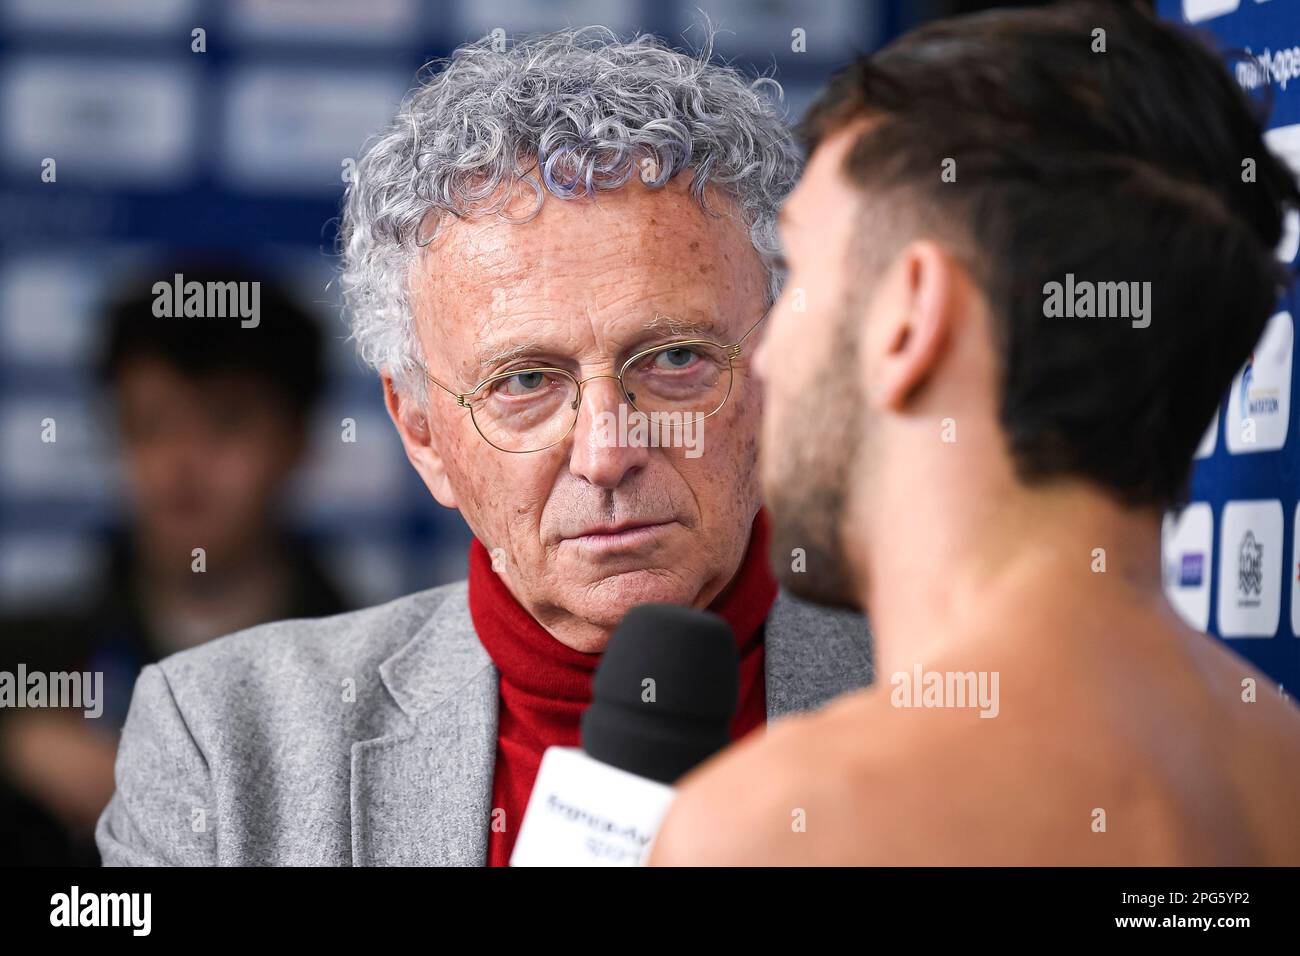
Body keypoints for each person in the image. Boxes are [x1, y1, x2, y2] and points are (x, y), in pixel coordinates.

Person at [96, 28, 874, 867]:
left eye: (676, 359)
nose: (607, 452)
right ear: (421, 432)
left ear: (778, 372)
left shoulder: (958, 714)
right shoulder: (220, 738)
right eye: (526, 382)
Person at [650, 1, 1300, 865]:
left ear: (909, 317)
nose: (765, 355)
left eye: (797, 273)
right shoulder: (1277, 766)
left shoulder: (787, 825)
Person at [1, 258, 348, 864]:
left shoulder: (378, 672)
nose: (180, 465)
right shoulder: (25, 661)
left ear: (298, 440)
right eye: (151, 425)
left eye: (225, 423)